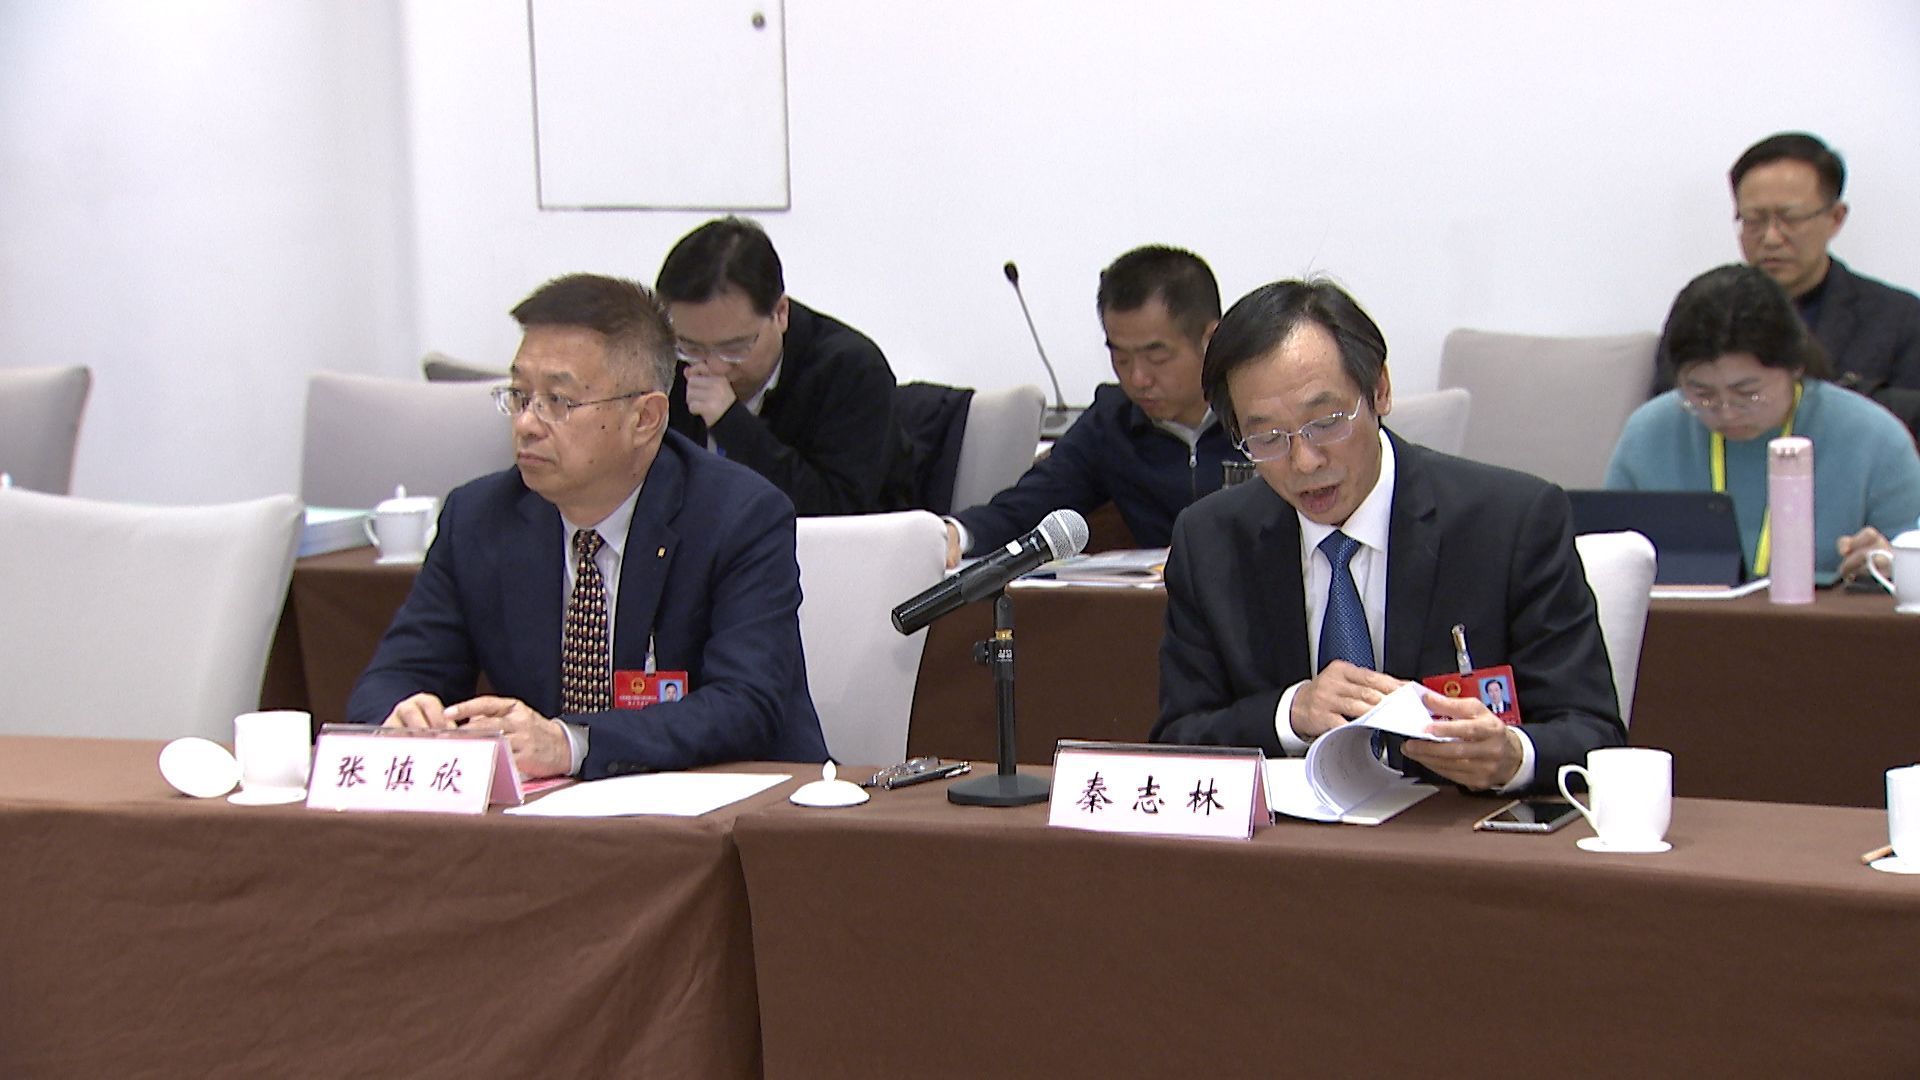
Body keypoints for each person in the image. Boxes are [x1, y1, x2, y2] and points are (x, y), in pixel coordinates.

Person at [346, 273, 828, 779]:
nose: (526, 423)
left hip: (737, 805)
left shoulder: (738, 516)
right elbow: (391, 679)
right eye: (519, 395)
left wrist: (572, 743)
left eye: (559, 401)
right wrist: (402, 715)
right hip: (552, 814)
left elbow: (745, 706)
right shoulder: (479, 518)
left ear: (645, 419)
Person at [1152, 279, 1622, 794]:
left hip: (1453, 831)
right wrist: (1289, 712)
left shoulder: (1510, 522)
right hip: (1294, 839)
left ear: (1379, 390)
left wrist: (1514, 756)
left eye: (1325, 422)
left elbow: (1593, 733)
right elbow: (1178, 740)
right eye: (1266, 437)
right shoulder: (1210, 541)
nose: (1304, 461)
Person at [1608, 264, 1920, 581]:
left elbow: (1909, 563)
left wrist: (1892, 564)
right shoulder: (1648, 435)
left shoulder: (1874, 439)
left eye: (1748, 393)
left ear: (1795, 366)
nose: (1727, 412)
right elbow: (1609, 559)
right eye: (1702, 394)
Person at [944, 245, 1234, 566]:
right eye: (1121, 358)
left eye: (1157, 357)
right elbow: (1027, 508)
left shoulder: (1258, 415)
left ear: (1211, 340)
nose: (1138, 379)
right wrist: (957, 533)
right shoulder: (1113, 422)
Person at [657, 216, 911, 515]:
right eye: (691, 346)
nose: (713, 367)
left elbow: (835, 510)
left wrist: (731, 423)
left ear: (780, 313)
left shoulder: (851, 370)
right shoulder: (665, 362)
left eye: (734, 348)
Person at [1657, 133, 1920, 394]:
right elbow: (1667, 408)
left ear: (1835, 218)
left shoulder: (1900, 319)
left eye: (1791, 218)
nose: (1771, 238)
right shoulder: (1701, 307)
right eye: (1754, 219)